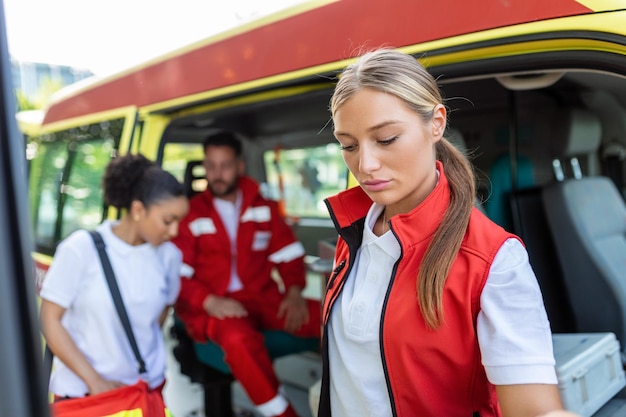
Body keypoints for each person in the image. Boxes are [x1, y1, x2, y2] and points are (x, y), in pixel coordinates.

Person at [318, 48, 571, 417]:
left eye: (386, 139)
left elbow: (534, 409)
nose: (365, 165)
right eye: (348, 145)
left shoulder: (494, 261)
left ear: (436, 123)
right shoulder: (354, 230)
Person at [173, 131, 321, 417]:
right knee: (239, 340)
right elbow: (176, 275)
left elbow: (289, 254)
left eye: (225, 165)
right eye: (211, 166)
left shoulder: (262, 207)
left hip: (262, 298)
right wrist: (208, 301)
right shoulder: (191, 213)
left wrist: (294, 292)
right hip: (213, 307)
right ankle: (282, 413)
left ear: (240, 166)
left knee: (332, 316)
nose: (217, 174)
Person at [40, 153, 188, 402]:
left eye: (179, 221)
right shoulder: (80, 249)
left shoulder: (170, 257)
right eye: (168, 221)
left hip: (144, 392)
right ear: (138, 209)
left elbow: (160, 315)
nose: (174, 231)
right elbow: (50, 320)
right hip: (85, 396)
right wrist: (95, 380)